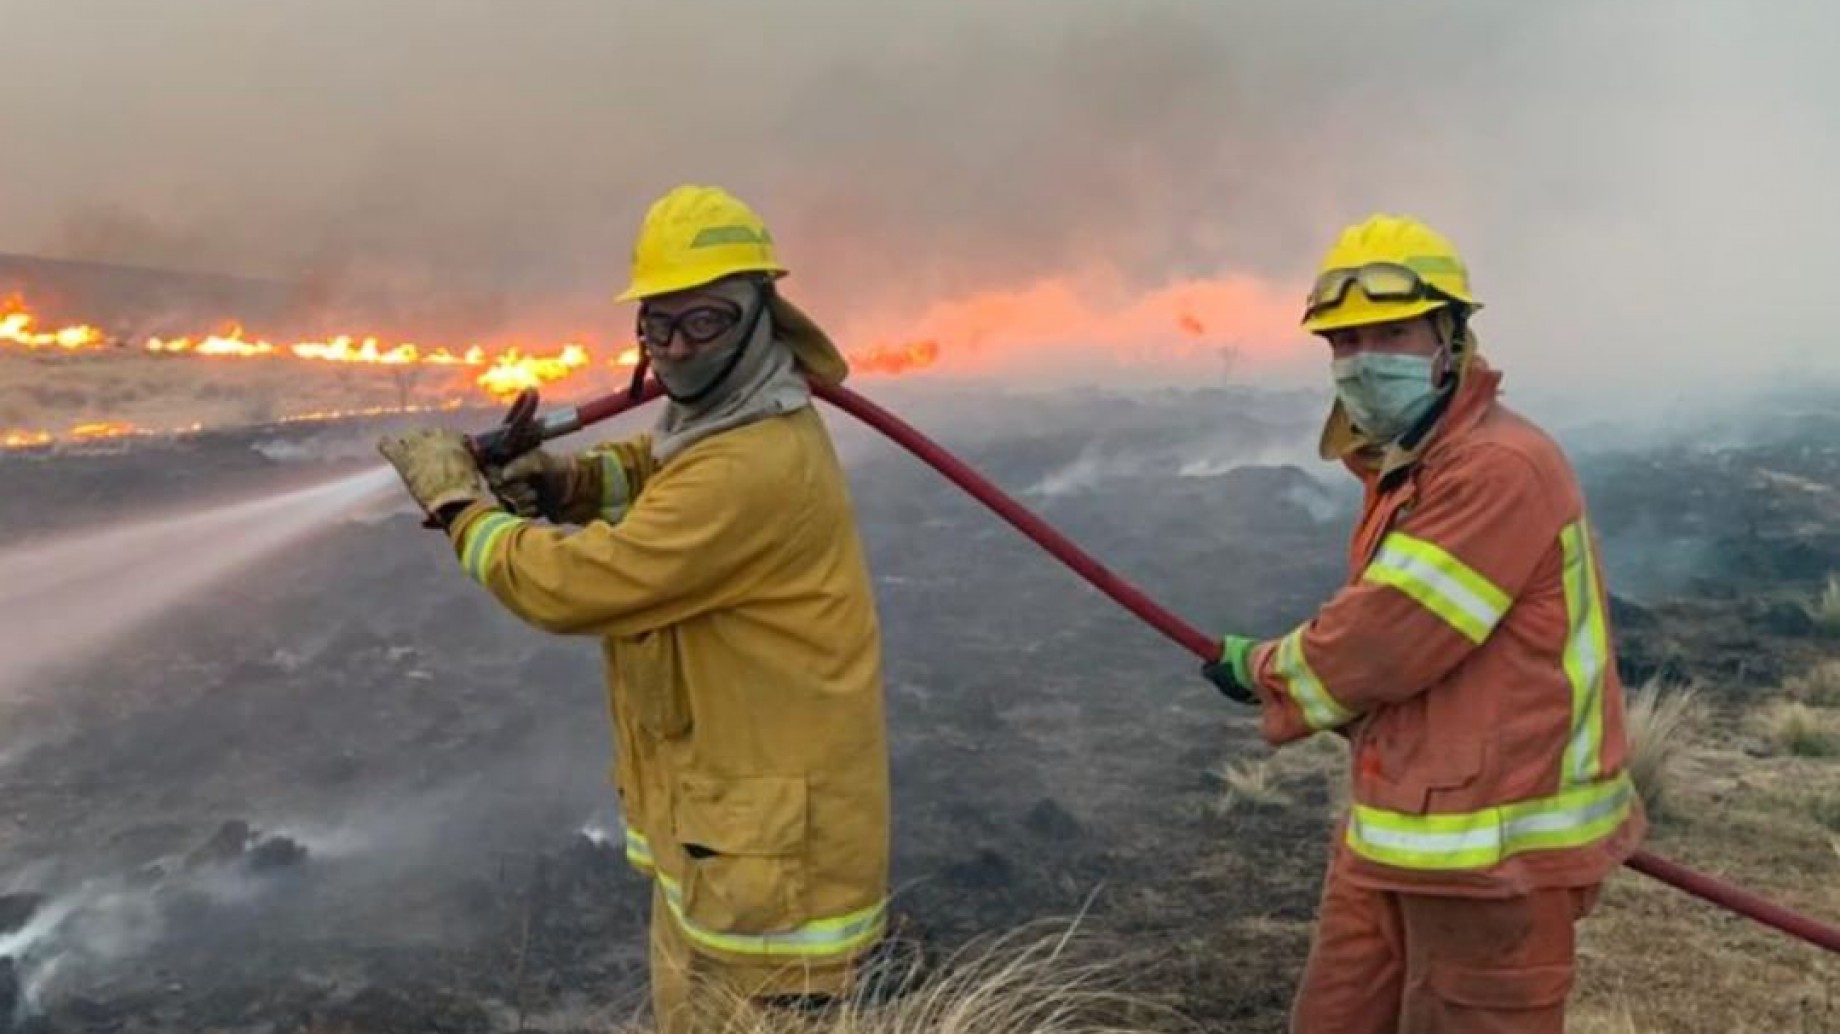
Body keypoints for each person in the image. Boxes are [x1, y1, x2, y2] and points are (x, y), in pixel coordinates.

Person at [376, 184, 894, 1033]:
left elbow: (575, 586)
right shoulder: (727, 425)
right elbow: (662, 472)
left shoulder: (753, 466)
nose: (678, 348)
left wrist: (460, 508)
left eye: (707, 322)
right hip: (722, 841)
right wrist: (566, 480)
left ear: (765, 314)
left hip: (773, 896)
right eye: (658, 325)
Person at [1202, 213, 1645, 1033]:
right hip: (1396, 832)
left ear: (1452, 336)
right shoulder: (1416, 463)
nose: (1361, 361)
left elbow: (1388, 635)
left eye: (1391, 333)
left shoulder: (1498, 468)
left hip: (1494, 856)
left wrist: (1266, 669)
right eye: (1341, 342)